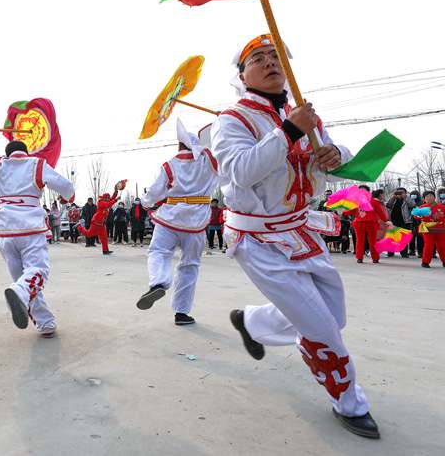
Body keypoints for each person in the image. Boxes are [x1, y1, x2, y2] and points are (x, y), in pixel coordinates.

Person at [211, 34, 379, 438]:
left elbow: (326, 166)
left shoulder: (307, 116)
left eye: (276, 57)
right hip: (259, 240)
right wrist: (288, 130)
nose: (270, 63)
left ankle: (251, 321)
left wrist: (335, 155)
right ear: (242, 74)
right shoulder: (232, 119)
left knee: (333, 317)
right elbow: (239, 172)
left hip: (302, 230)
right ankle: (349, 402)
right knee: (323, 331)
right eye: (258, 58)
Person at [0, 126, 74, 337]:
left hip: (4, 230)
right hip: (30, 226)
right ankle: (19, 292)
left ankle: (45, 322)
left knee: (23, 277)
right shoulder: (36, 164)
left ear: (8, 153)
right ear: (25, 152)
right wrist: (69, 197)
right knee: (38, 271)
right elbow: (65, 185)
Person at [137, 119, 218, 325]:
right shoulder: (209, 160)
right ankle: (181, 313)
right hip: (196, 222)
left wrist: (146, 204)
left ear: (180, 145)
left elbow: (155, 192)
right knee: (189, 266)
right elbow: (226, 160)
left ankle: (158, 283)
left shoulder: (170, 164)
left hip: (169, 219)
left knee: (158, 252)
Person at [78, 182, 127, 255]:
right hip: (95, 222)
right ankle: (79, 227)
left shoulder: (107, 201)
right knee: (89, 234)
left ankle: (105, 250)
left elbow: (112, 198)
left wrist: (116, 190)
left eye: (108, 197)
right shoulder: (101, 203)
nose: (108, 199)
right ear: (103, 198)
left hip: (102, 224)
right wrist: (115, 200)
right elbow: (108, 204)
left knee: (104, 238)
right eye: (106, 197)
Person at [416, 191, 445, 268]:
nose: (429, 197)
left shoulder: (442, 207)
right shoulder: (422, 207)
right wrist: (420, 215)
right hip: (428, 230)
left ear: (434, 197)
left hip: (441, 230)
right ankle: (425, 262)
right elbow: (416, 216)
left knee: (442, 246)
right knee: (429, 245)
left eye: (431, 196)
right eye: (427, 196)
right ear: (424, 199)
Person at [385, 187, 416, 258]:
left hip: (405, 221)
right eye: (398, 192)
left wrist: (405, 197)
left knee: (404, 238)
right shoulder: (394, 199)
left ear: (405, 193)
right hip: (393, 221)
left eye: (401, 192)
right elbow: (388, 205)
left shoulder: (407, 199)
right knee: (391, 238)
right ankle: (390, 252)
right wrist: (393, 198)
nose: (399, 194)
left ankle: (404, 253)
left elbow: (412, 205)